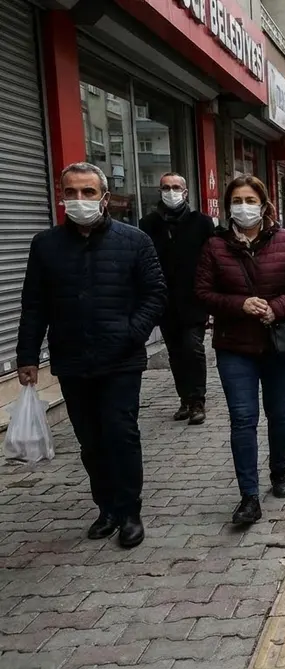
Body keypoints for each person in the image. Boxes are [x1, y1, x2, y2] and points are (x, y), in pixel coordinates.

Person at [17, 162, 167, 548]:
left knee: (121, 432)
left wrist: (132, 333)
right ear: (61, 196)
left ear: (104, 197)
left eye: (87, 192)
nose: (79, 200)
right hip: (72, 357)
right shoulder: (45, 245)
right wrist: (27, 356)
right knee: (90, 440)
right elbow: (34, 304)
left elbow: (155, 294)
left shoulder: (134, 241)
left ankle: (130, 511)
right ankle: (107, 508)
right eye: (71, 193)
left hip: (121, 358)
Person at [194, 175, 285, 525]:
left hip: (279, 344)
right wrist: (239, 304)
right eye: (237, 200)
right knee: (243, 419)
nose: (243, 207)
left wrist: (276, 308)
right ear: (228, 206)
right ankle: (249, 495)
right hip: (235, 346)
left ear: (264, 205)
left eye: (250, 200)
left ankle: (279, 472)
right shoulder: (214, 247)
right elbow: (202, 292)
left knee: (278, 413)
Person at [139, 172, 215, 425]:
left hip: (194, 299)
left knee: (193, 349)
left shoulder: (201, 223)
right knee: (175, 352)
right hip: (164, 300)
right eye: (166, 187)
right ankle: (184, 399)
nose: (171, 192)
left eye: (176, 187)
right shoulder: (148, 224)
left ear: (185, 192)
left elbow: (211, 261)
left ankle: (197, 401)